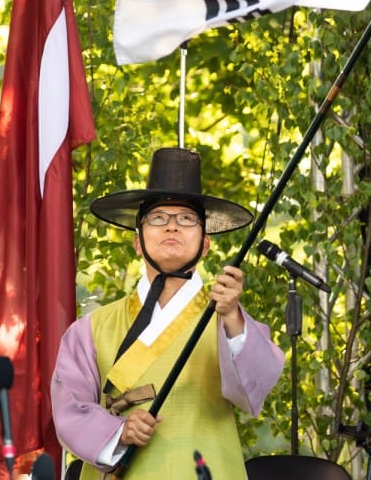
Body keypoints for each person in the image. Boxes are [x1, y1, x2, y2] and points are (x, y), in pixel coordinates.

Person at [51, 147, 285, 480]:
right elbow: (69, 407)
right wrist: (118, 433)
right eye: (158, 218)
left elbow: (253, 392)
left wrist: (232, 317)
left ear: (205, 244)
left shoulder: (228, 320)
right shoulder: (90, 328)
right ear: (138, 242)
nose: (172, 227)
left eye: (186, 219)